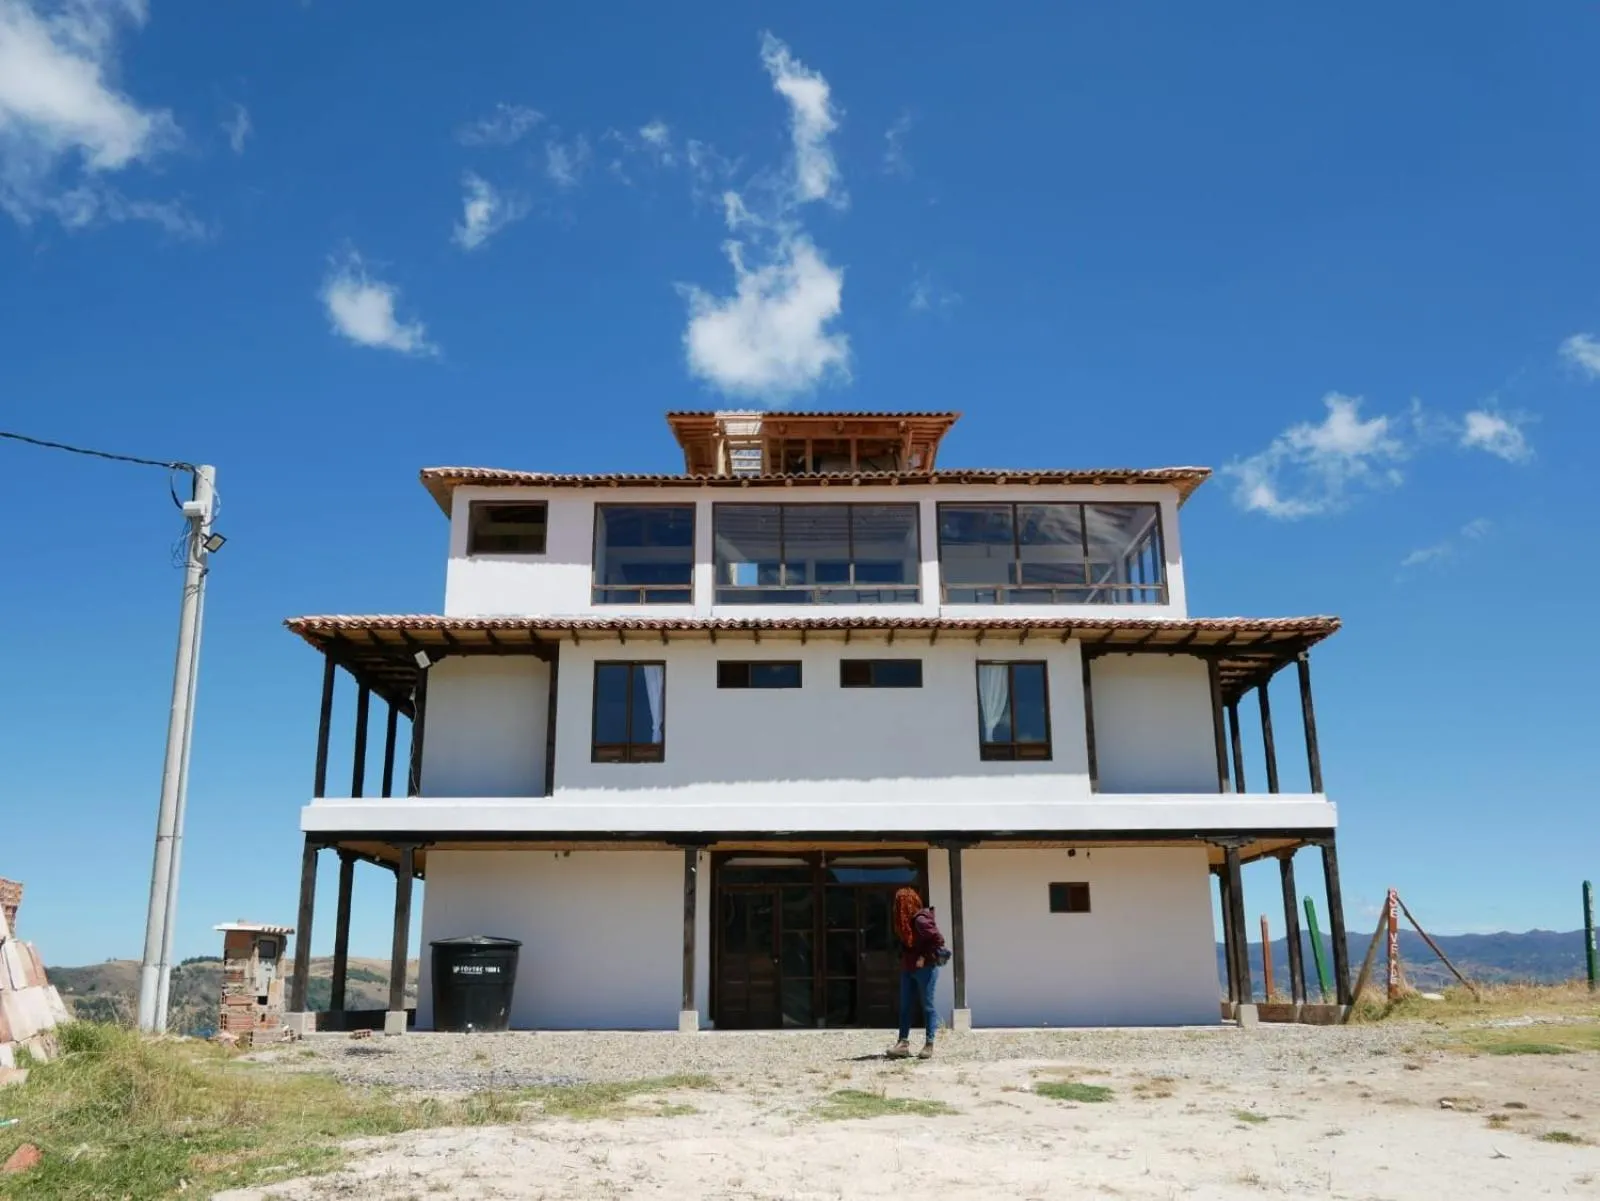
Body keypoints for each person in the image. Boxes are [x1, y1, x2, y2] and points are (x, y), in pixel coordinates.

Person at [887, 886, 946, 1060]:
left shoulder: (920, 920)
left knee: (927, 1006)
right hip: (909, 968)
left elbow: (938, 940)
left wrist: (924, 956)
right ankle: (903, 1043)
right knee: (905, 1006)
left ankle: (929, 1044)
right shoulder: (904, 923)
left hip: (925, 968)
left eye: (899, 904)